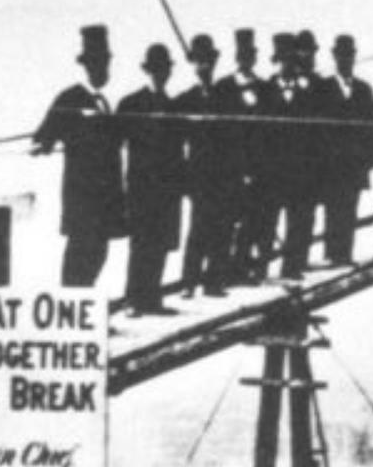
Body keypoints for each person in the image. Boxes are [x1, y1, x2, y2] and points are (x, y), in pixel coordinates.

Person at [33, 25, 125, 287]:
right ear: (88, 66)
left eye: (106, 63)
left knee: (99, 253)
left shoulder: (106, 103)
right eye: (98, 64)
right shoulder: (70, 98)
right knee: (79, 255)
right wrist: (47, 141)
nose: (103, 70)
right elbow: (43, 137)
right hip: (83, 196)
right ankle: (72, 307)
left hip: (107, 195)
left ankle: (86, 307)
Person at [119, 43, 185, 314]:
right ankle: (134, 299)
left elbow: (180, 147)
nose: (162, 74)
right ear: (148, 71)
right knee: (141, 244)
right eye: (157, 69)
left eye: (165, 69)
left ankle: (153, 298)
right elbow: (115, 140)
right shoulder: (131, 104)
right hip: (142, 187)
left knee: (160, 244)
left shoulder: (173, 106)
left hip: (167, 188)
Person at [260, 32, 326, 280]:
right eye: (282, 60)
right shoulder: (265, 91)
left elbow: (315, 135)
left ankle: (293, 267)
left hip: (301, 171)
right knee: (266, 223)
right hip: (272, 172)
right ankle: (261, 269)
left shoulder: (307, 93)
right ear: (275, 62)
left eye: (291, 60)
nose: (287, 65)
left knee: (300, 220)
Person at [319, 33, 373, 265]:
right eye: (341, 55)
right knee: (332, 207)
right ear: (334, 57)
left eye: (349, 55)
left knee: (349, 207)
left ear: (353, 58)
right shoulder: (324, 88)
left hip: (355, 162)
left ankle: (344, 253)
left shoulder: (363, 90)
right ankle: (331, 254)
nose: (345, 60)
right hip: (331, 163)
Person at [175, 34, 230, 297]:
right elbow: (174, 139)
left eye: (208, 61)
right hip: (198, 174)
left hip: (224, 173)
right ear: (194, 64)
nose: (205, 66)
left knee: (221, 227)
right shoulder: (185, 100)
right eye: (200, 62)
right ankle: (189, 282)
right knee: (198, 228)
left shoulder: (226, 95)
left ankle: (214, 282)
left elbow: (237, 137)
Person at [215, 28, 270, 280]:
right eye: (242, 55)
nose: (246, 59)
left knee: (254, 220)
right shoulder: (223, 87)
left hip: (259, 166)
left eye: (250, 55)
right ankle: (224, 270)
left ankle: (246, 267)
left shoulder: (264, 88)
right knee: (229, 221)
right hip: (231, 168)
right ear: (236, 57)